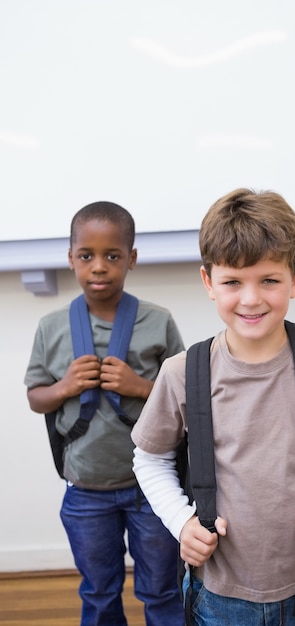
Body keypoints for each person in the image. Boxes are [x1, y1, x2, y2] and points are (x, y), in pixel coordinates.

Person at [131, 187, 295, 626]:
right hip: (218, 594)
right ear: (208, 283)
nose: (251, 299)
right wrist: (181, 523)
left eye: (269, 280)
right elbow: (149, 457)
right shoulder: (182, 372)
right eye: (233, 281)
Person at [24, 201, 186, 626]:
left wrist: (139, 387)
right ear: (71, 258)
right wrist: (64, 388)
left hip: (153, 488)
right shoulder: (51, 326)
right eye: (86, 256)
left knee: (164, 590)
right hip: (85, 490)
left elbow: (188, 400)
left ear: (131, 259)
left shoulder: (158, 321)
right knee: (98, 592)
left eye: (112, 256)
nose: (99, 267)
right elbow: (36, 397)